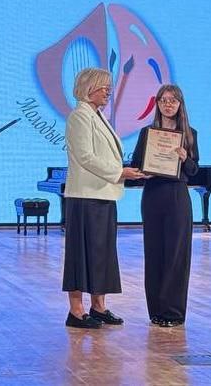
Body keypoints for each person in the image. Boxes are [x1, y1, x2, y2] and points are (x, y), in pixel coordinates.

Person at [62, 67, 146, 329]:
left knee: (101, 253)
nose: (108, 92)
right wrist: (119, 172)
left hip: (103, 194)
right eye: (104, 87)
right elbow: (85, 156)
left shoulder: (97, 115)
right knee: (81, 253)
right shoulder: (79, 116)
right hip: (85, 196)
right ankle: (76, 311)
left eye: (109, 87)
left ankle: (98, 306)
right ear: (89, 89)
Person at [130, 84, 199, 327]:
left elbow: (194, 170)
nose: (168, 104)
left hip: (177, 196)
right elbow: (137, 163)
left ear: (180, 104)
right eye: (163, 100)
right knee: (154, 253)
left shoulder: (189, 133)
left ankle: (173, 313)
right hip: (153, 195)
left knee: (176, 254)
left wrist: (185, 158)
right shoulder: (147, 133)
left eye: (172, 100)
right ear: (157, 104)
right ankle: (156, 311)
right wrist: (144, 171)